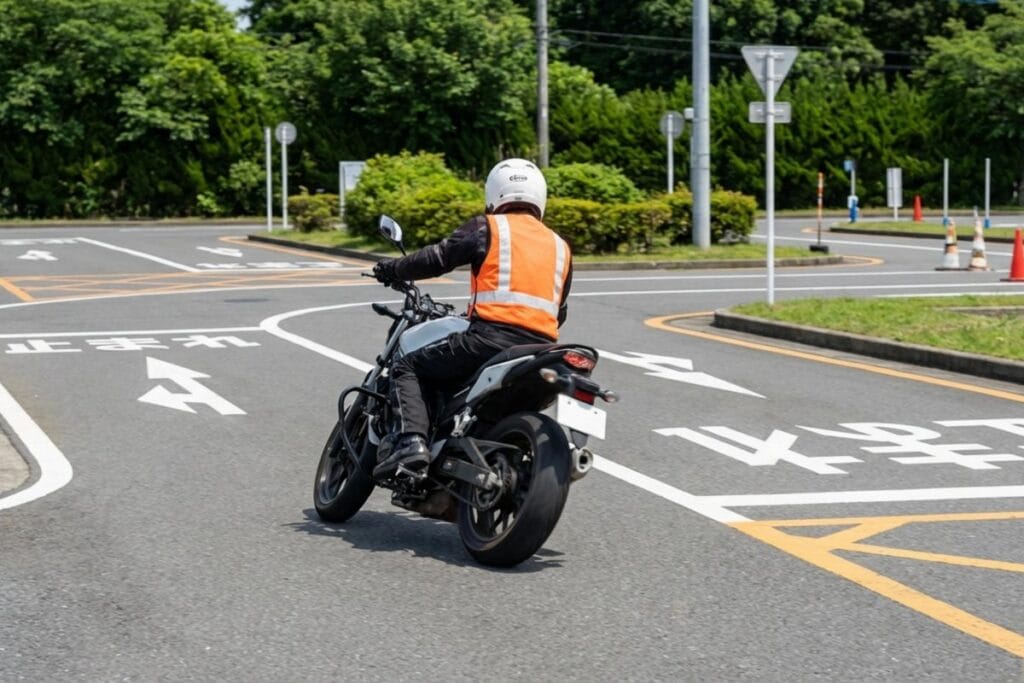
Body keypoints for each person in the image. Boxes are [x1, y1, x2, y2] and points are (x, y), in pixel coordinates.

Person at [370, 158, 572, 479]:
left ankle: (411, 442)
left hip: (489, 340)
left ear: (494, 193)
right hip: (541, 351)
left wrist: (392, 268)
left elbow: (438, 258)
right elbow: (558, 310)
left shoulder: (488, 227)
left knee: (407, 366)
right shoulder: (561, 247)